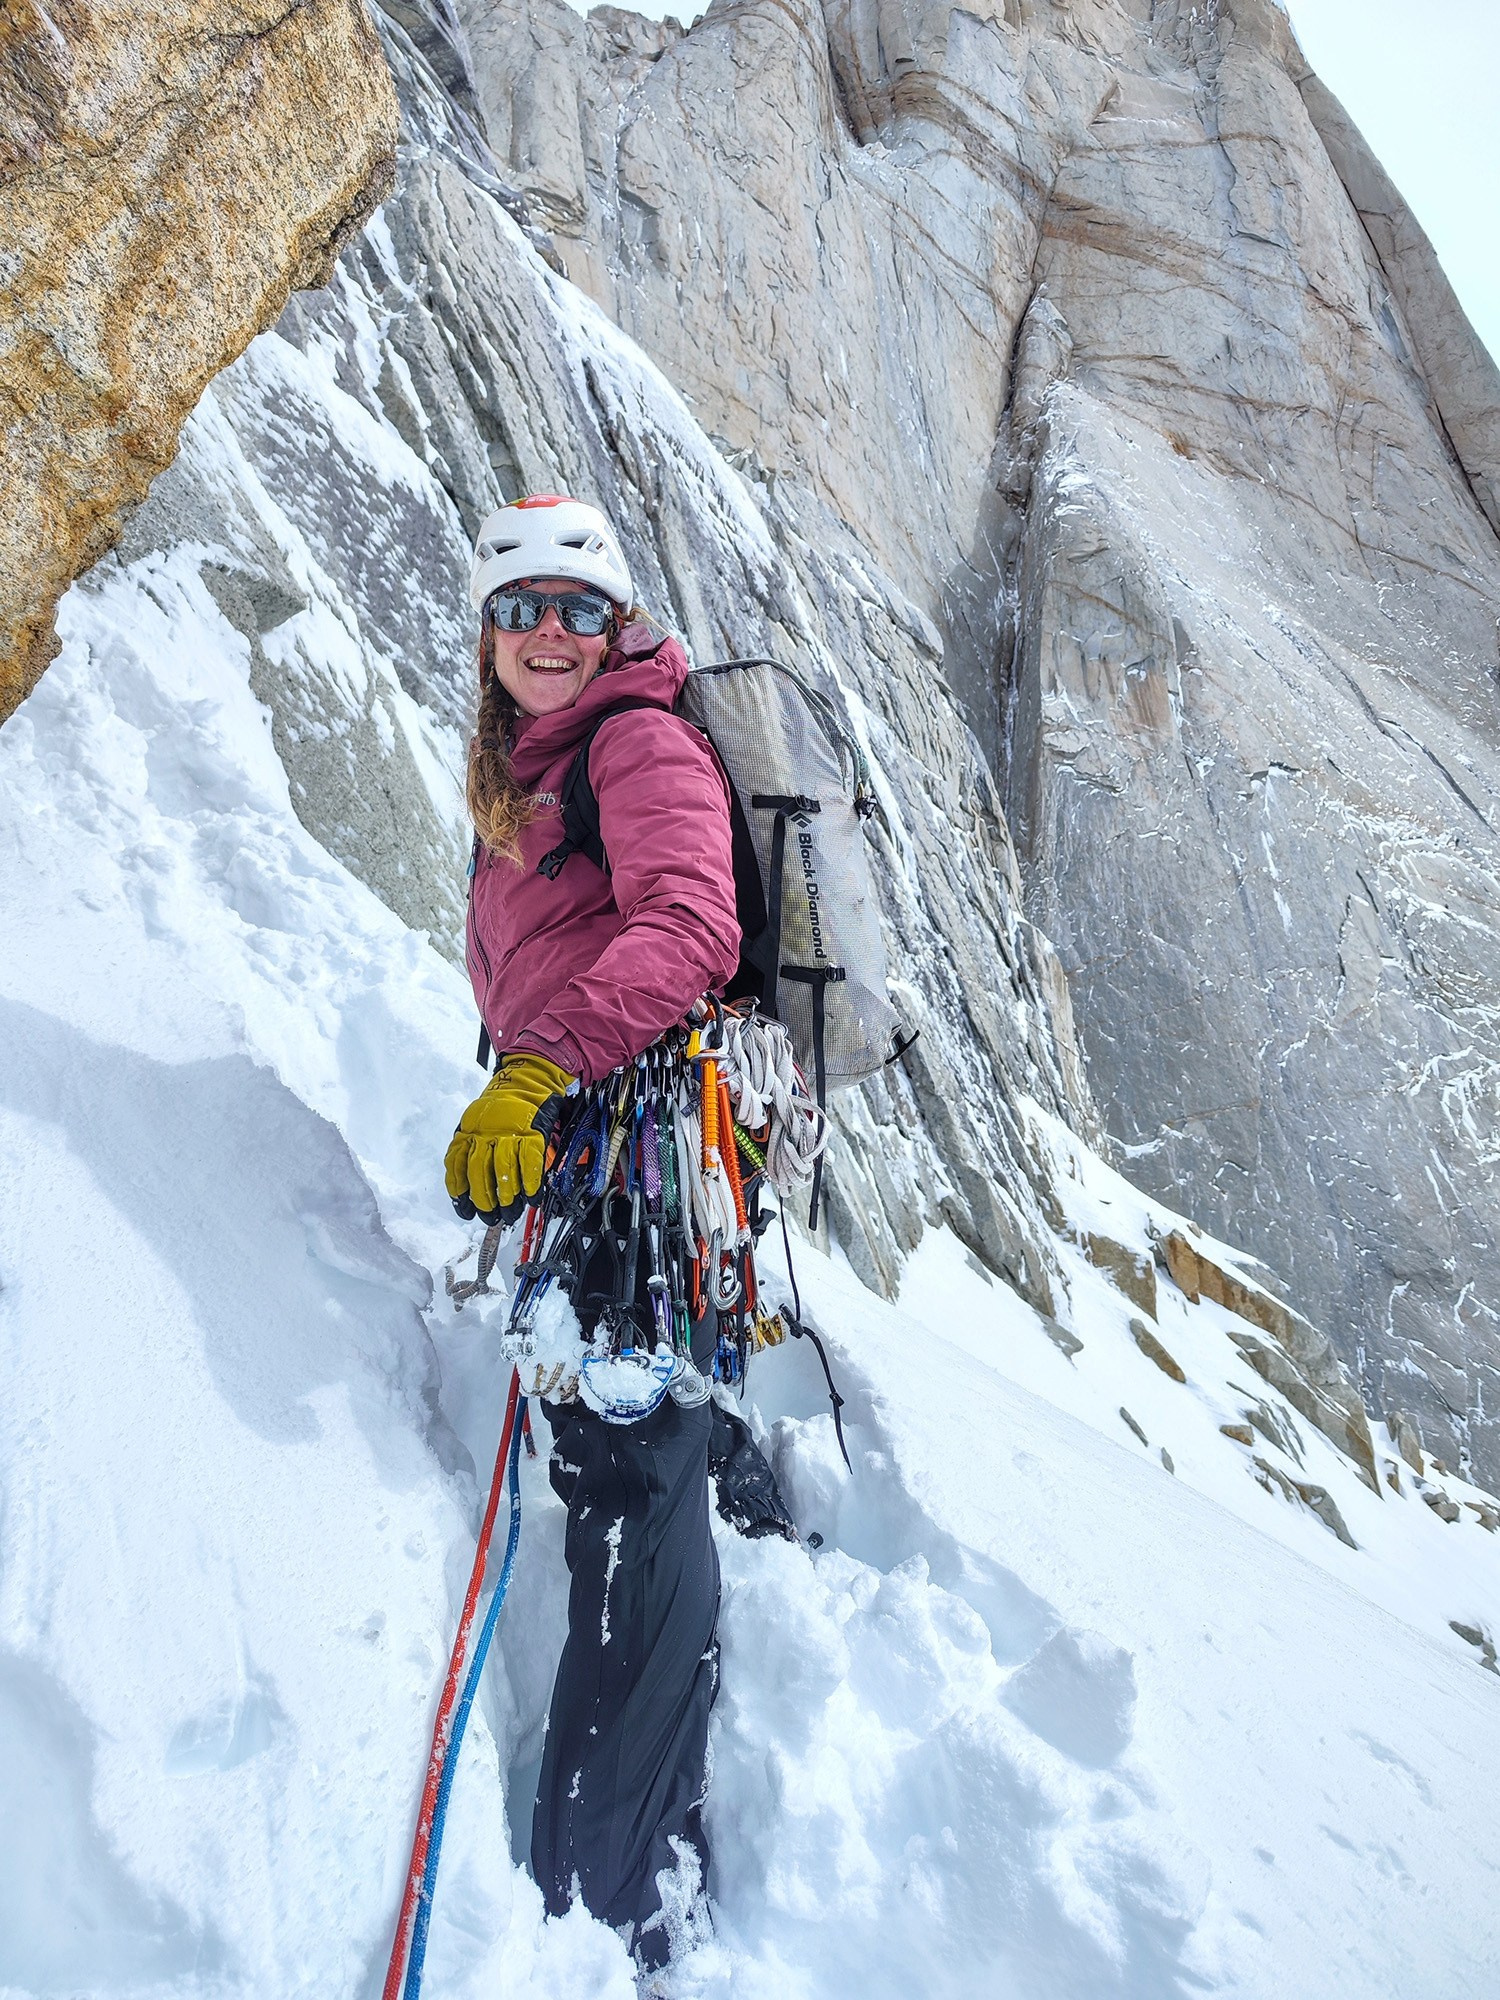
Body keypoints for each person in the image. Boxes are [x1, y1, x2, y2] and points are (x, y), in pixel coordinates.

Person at [443, 495, 792, 1972]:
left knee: (618, 1479)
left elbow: (693, 927)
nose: (548, 634)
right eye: (519, 607)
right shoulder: (528, 763)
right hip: (605, 1132)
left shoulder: (633, 740)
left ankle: (617, 1882)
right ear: (486, 629)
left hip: (633, 1138)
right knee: (639, 1419)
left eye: (578, 609)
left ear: (617, 623)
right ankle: (747, 1489)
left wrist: (538, 1066)